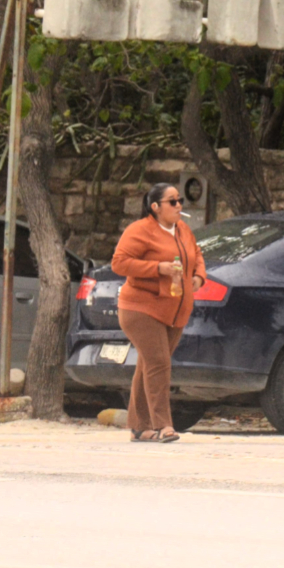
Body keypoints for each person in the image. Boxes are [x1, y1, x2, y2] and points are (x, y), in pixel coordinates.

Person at [110, 183, 206, 443]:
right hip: (141, 308)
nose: (179, 205)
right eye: (172, 201)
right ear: (155, 207)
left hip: (174, 310)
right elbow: (119, 263)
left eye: (180, 200)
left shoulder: (183, 229)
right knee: (159, 364)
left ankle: (139, 427)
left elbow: (196, 254)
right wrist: (157, 268)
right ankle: (164, 425)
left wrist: (199, 276)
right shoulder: (139, 230)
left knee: (148, 365)